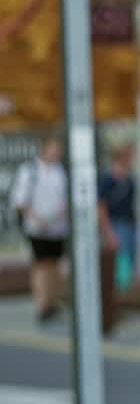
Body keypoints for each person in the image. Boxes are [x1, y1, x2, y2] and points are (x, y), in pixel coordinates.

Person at [9, 136, 69, 322]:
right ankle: (42, 303)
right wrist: (37, 219)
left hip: (58, 227)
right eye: (53, 149)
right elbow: (20, 201)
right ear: (44, 149)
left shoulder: (61, 171)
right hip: (38, 227)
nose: (56, 153)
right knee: (42, 264)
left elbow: (66, 198)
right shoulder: (30, 170)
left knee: (55, 264)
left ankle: (52, 301)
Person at [98, 144, 138, 290]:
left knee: (129, 260)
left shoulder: (129, 177)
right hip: (116, 224)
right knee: (120, 262)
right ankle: (118, 296)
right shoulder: (107, 179)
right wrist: (108, 232)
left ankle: (125, 293)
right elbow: (101, 207)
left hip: (130, 224)